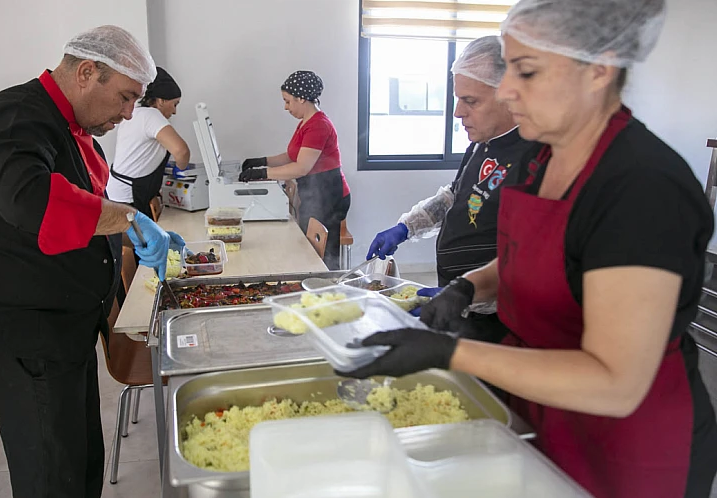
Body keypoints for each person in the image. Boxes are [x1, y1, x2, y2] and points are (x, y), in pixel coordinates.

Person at [338, 1, 717, 497]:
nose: (508, 90)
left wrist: (453, 352)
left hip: (626, 445)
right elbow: (532, 254)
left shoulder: (642, 187)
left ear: (598, 70)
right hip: (543, 407)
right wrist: (467, 286)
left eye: (526, 71)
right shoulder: (541, 158)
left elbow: (616, 381)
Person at [0, 26, 184, 498]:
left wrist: (129, 240)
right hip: (29, 331)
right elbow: (29, 200)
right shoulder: (14, 115)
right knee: (52, 476)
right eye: (126, 98)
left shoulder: (71, 129)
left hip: (66, 328)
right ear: (88, 72)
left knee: (81, 463)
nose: (129, 115)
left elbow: (83, 218)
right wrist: (129, 220)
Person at [367, 36, 540, 342]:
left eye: (470, 101)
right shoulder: (481, 145)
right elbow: (454, 195)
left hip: (496, 320)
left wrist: (468, 295)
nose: (458, 113)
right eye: (458, 99)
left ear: (510, 95)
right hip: (459, 300)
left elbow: (534, 265)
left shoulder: (535, 157)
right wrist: (405, 228)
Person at [238, 70, 350, 270]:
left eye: (288, 101)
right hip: (315, 193)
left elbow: (301, 167)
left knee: (322, 256)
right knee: (306, 248)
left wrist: (262, 173)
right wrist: (261, 162)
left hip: (328, 196)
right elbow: (292, 156)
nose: (285, 107)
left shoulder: (319, 126)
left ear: (301, 98)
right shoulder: (305, 124)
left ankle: (327, 286)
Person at [106, 66, 190, 218]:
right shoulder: (151, 115)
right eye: (175, 104)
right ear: (161, 100)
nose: (175, 111)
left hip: (117, 195)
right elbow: (181, 151)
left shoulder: (137, 113)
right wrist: (181, 170)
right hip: (128, 199)